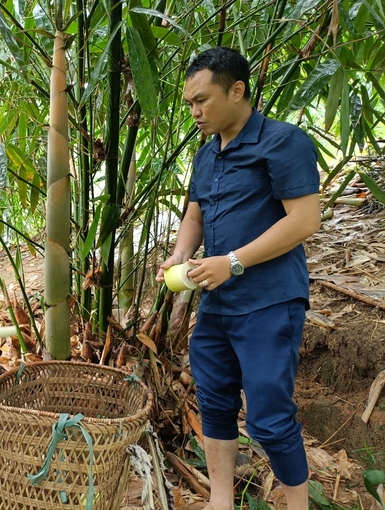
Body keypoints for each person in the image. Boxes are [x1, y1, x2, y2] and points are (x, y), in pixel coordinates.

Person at [156, 47, 320, 510]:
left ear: (237, 90)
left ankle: (298, 506)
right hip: (217, 303)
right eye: (189, 103)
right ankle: (221, 501)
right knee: (215, 402)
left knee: (268, 416)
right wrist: (179, 255)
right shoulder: (207, 155)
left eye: (202, 101)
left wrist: (233, 262)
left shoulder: (283, 142)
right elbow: (196, 214)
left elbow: (305, 220)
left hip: (269, 301)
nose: (194, 112)